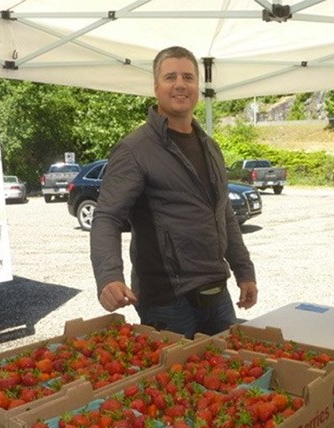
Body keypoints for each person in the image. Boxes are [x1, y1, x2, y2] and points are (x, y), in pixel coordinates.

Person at [90, 46, 258, 339]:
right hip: (167, 301)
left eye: (188, 77)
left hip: (217, 292)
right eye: (170, 77)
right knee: (179, 381)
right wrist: (109, 277)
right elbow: (107, 217)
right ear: (156, 88)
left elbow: (225, 214)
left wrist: (245, 272)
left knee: (229, 375)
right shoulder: (134, 149)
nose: (180, 84)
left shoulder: (210, 147)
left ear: (198, 88)